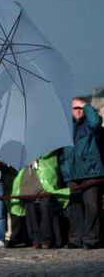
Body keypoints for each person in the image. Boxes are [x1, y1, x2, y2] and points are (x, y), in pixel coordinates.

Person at [58, 97, 104, 249]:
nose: (79, 111)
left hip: (90, 172)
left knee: (92, 207)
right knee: (73, 208)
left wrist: (86, 105)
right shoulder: (65, 127)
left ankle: (91, 239)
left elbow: (96, 122)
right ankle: (75, 239)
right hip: (71, 172)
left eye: (81, 108)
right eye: (75, 108)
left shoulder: (90, 126)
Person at [9, 150, 70, 249]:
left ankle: (47, 239)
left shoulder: (48, 142)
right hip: (29, 182)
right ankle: (36, 240)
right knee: (31, 211)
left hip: (46, 182)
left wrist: (36, 155)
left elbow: (52, 156)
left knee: (46, 209)